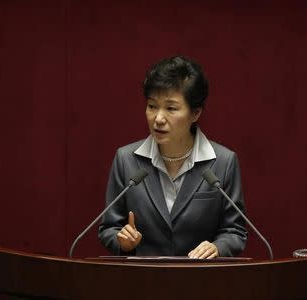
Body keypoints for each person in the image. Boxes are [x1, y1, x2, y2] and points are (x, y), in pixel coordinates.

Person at [98, 55, 247, 258]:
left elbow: (235, 231)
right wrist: (122, 241)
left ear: (195, 113)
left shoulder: (223, 162)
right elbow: (108, 228)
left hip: (202, 282)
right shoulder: (126, 160)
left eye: (171, 108)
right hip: (142, 283)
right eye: (152, 106)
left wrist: (218, 247)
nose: (158, 118)